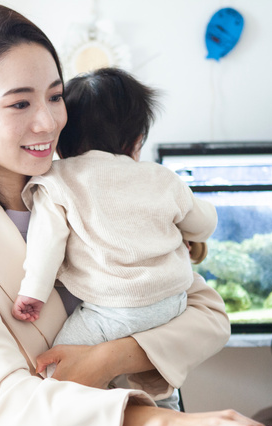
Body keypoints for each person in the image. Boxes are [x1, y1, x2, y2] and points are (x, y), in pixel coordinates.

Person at [0, 3, 272, 426]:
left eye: (54, 96)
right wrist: (160, 422)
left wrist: (112, 357)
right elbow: (8, 395)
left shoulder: (102, 189)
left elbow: (208, 314)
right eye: (20, 103)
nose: (48, 122)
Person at [12, 69, 216, 400]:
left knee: (56, 372)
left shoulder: (59, 179)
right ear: (136, 141)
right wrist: (189, 232)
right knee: (155, 375)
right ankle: (166, 411)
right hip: (173, 302)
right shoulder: (160, 177)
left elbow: (46, 242)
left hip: (114, 310)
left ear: (61, 144)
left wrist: (33, 292)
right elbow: (203, 223)